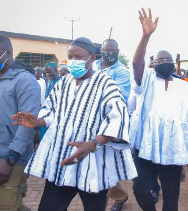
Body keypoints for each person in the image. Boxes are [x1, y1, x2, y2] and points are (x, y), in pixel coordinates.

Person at [12, 37, 137, 211]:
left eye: (78, 57)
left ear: (92, 58)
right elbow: (51, 110)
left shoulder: (106, 84)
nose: (73, 61)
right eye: (70, 57)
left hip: (93, 164)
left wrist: (92, 144)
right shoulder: (63, 82)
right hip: (63, 163)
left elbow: (117, 120)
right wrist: (37, 121)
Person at [130, 8, 188, 211]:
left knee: (171, 197)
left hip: (173, 149)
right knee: (140, 189)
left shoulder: (184, 86)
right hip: (144, 148)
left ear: (174, 64)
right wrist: (145, 36)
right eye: (159, 60)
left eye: (168, 60)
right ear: (153, 64)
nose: (164, 63)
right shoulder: (146, 79)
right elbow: (136, 63)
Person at [0, 34, 41, 211]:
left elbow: (27, 126)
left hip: (11, 158)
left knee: (8, 205)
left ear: (7, 53)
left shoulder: (24, 81)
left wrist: (10, 159)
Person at [93, 39, 131, 211]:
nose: (109, 52)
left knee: (104, 163)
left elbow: (118, 96)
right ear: (101, 50)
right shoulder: (92, 65)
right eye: (106, 49)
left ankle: (115, 198)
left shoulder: (122, 72)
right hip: (88, 122)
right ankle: (118, 196)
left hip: (108, 124)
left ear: (118, 51)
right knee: (96, 163)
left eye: (113, 50)